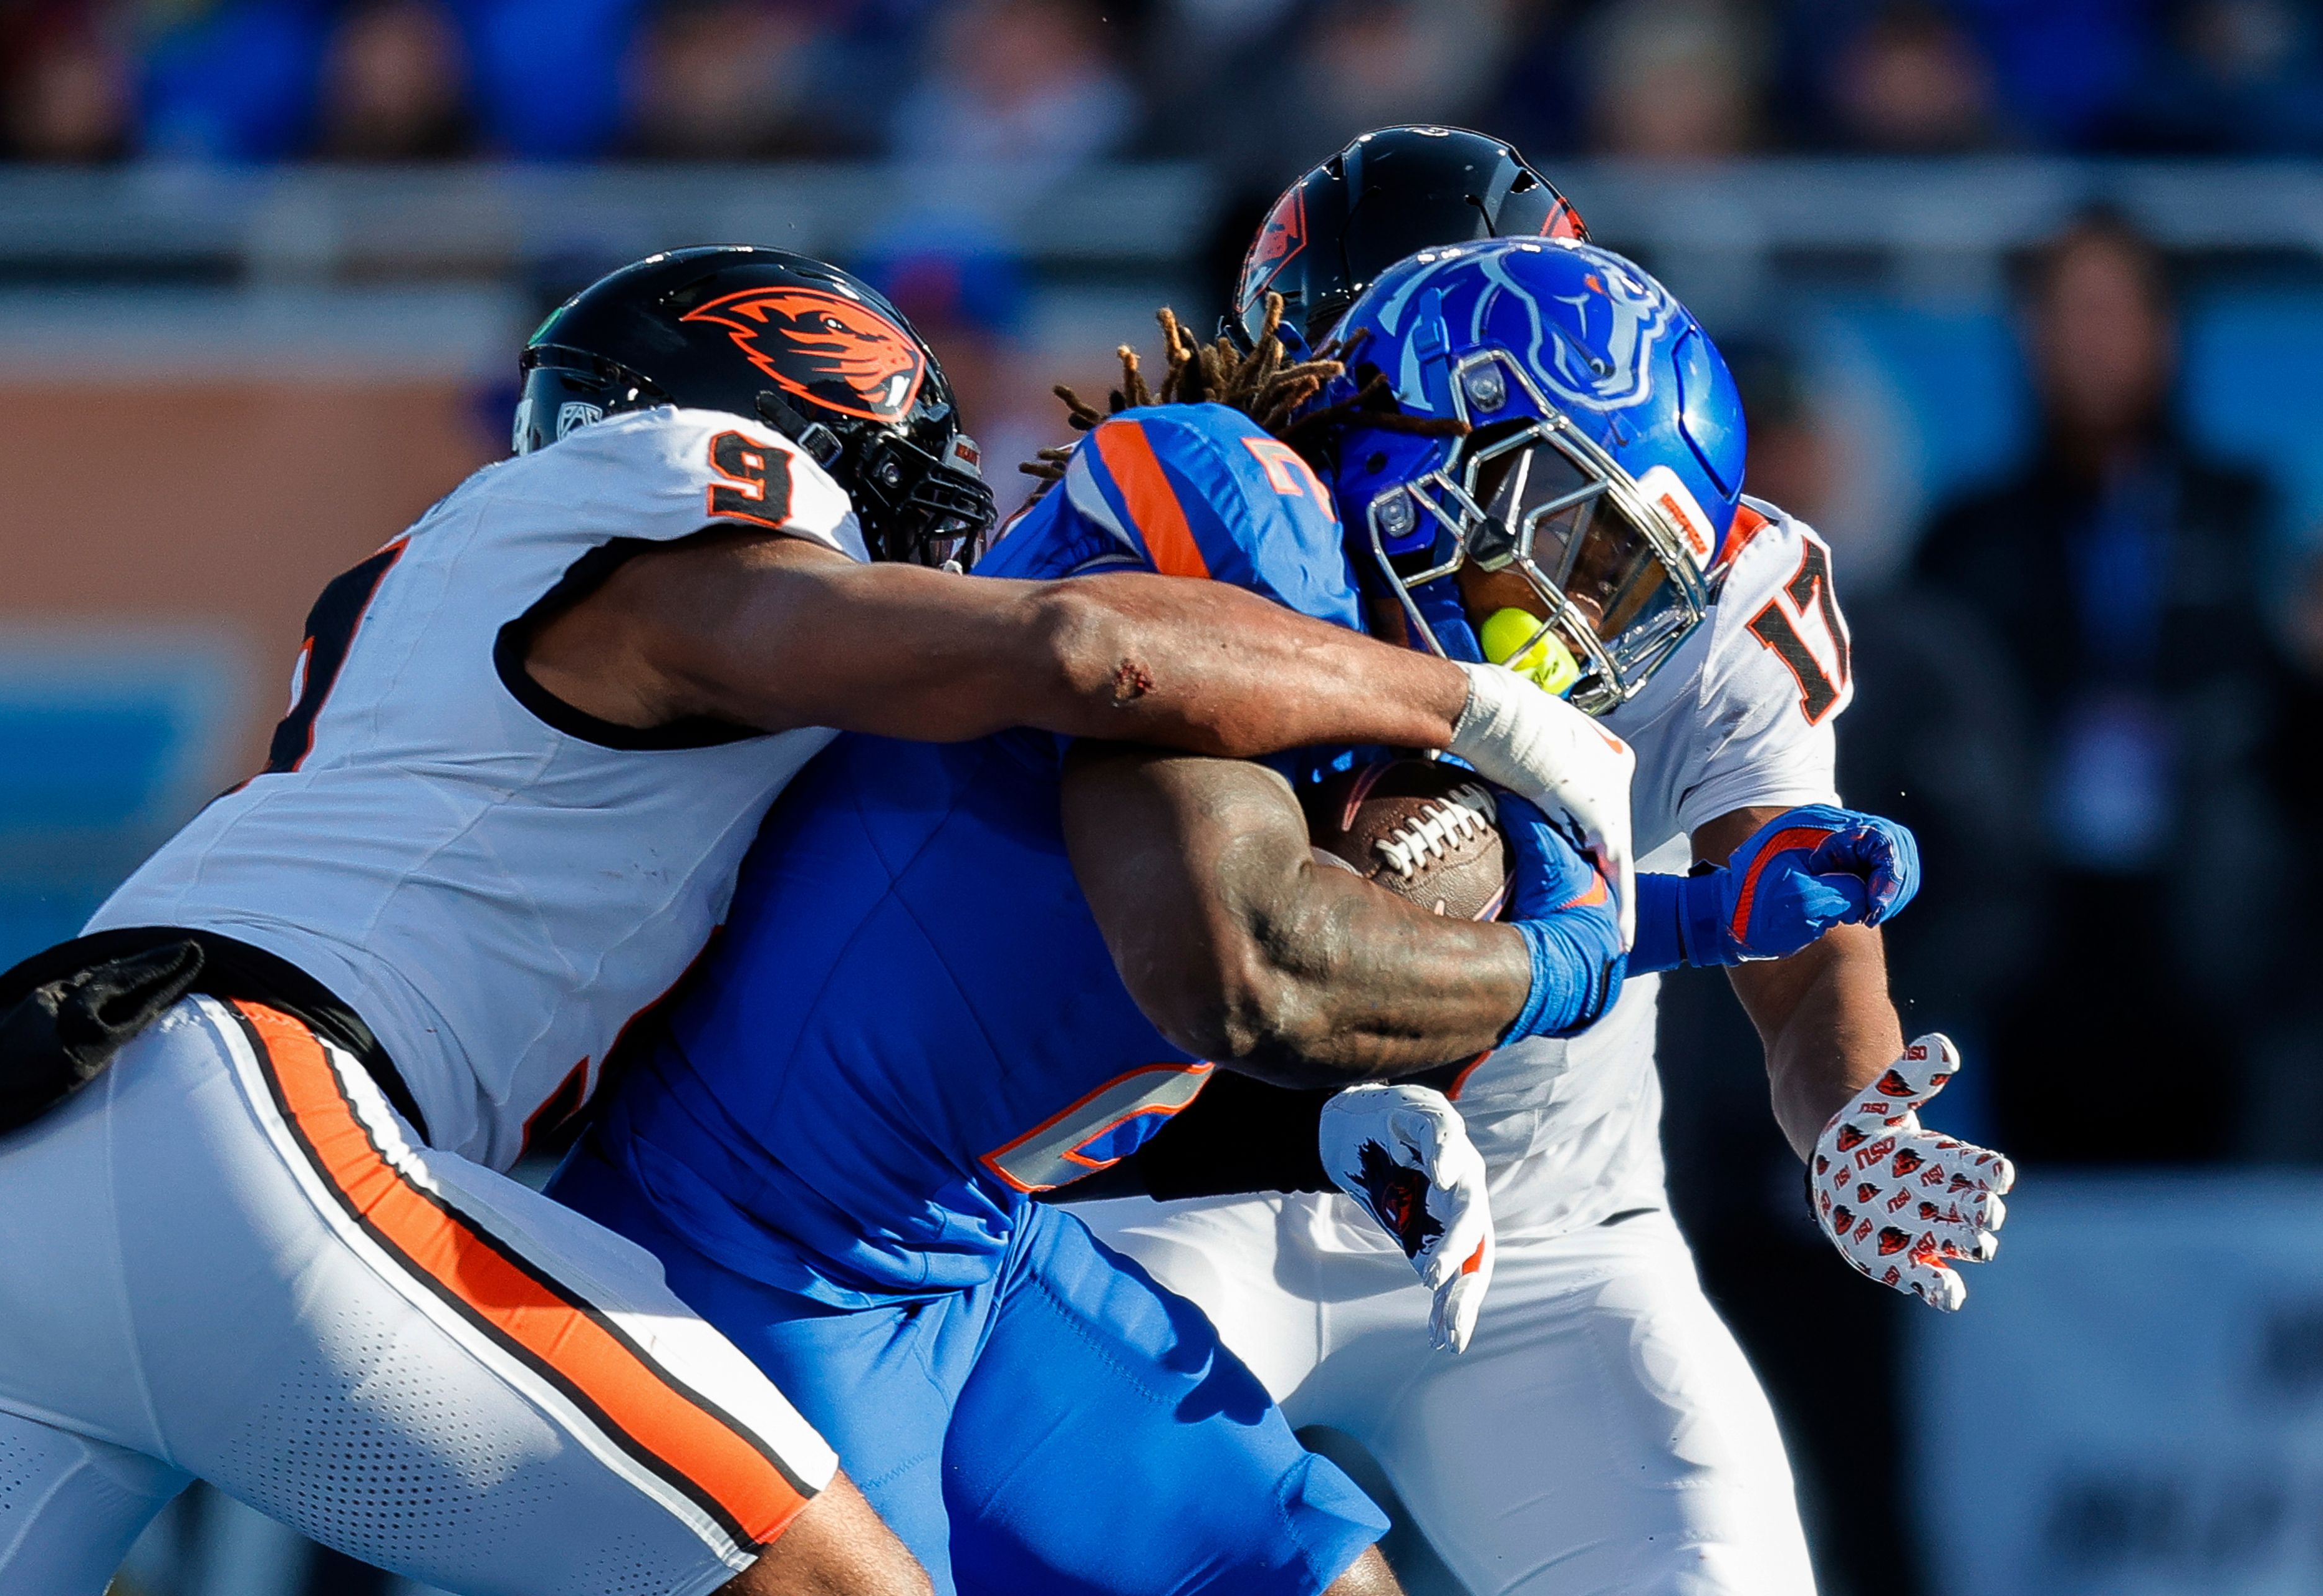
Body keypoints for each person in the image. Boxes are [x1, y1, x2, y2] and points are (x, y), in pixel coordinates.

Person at [0, 246, 1636, 1595]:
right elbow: (1073, 654)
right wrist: (1465, 709)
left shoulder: (458, 641)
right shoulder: (676, 513)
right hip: (252, 1130)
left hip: (15, 1148)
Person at [544, 292, 1907, 1596]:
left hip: (967, 1247)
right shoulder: (1228, 508)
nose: (1572, 615)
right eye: (1571, 542)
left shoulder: (1364, 673)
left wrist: (1700, 917)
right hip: (751, 1254)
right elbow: (1245, 967)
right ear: (1440, 447)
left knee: (1304, 1571)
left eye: (1620, 586)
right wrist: (1577, 958)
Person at [1075, 135, 2017, 1596]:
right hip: (1173, 1203)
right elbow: (1234, 949)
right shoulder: (1201, 537)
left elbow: (1799, 911)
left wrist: (1850, 1114)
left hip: (1549, 1234)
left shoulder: (1697, 565)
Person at [1910, 209, 2286, 1165]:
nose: (2091, 343)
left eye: (2114, 312)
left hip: (2210, 948)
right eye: (2066, 314)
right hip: (2032, 951)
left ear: (2165, 333)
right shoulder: (1971, 536)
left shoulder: (2242, 515)